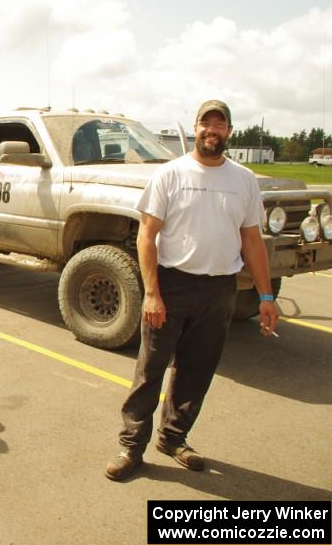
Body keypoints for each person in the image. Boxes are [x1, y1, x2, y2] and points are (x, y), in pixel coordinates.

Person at [105, 100, 279, 482]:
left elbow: (251, 239)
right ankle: (131, 447)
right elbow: (146, 235)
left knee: (196, 372)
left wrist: (266, 297)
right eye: (206, 123)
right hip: (172, 284)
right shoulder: (171, 174)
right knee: (150, 372)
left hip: (219, 289)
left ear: (229, 132)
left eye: (220, 124)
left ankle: (173, 438)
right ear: (195, 127)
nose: (211, 130)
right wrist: (152, 293)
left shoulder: (244, 180)